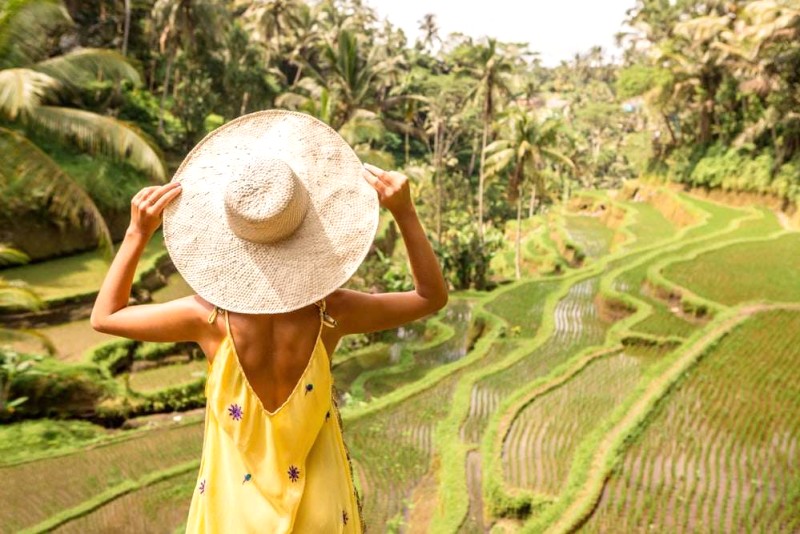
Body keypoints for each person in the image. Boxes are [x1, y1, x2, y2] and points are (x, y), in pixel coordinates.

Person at [90, 111, 448, 533]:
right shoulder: (333, 311)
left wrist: (137, 232)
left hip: (233, 511)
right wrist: (404, 213)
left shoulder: (207, 317)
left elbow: (105, 316)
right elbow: (431, 296)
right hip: (320, 506)